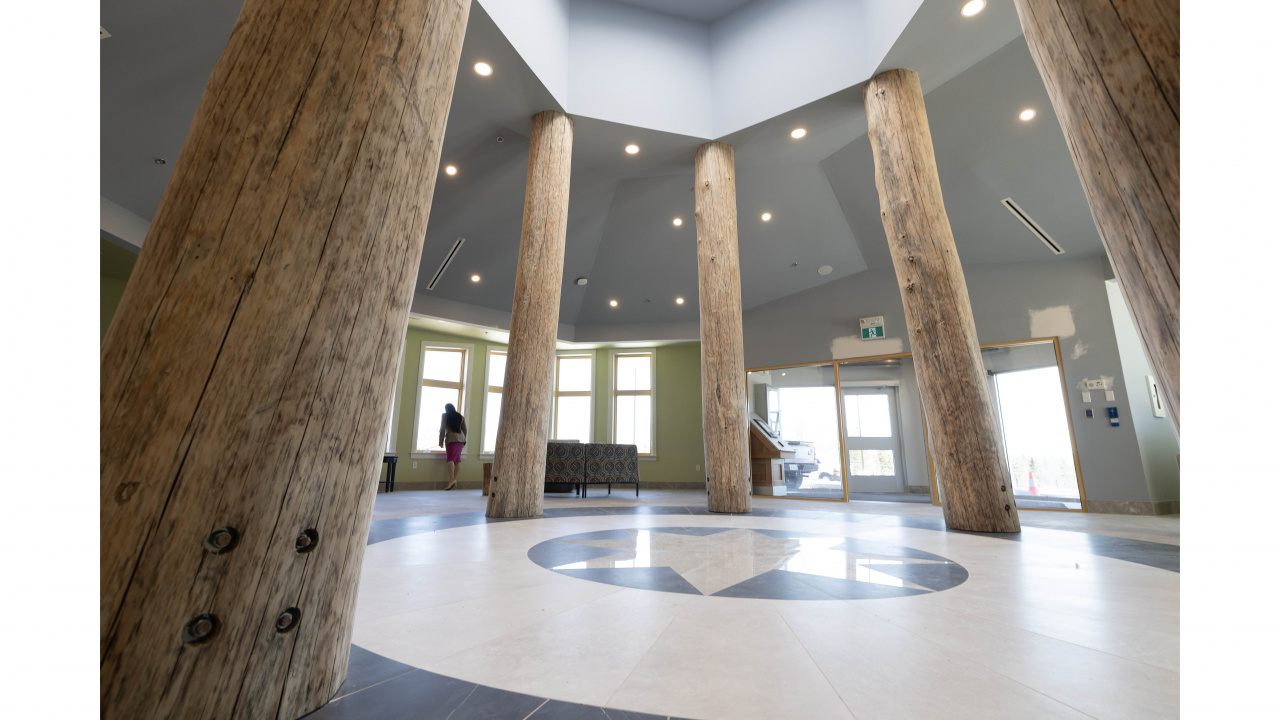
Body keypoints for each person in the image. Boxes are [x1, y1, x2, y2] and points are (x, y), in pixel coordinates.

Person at [438, 403, 467, 490]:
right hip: (461, 439)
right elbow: (465, 430)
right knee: (457, 460)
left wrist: (441, 441)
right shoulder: (461, 417)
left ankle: (452, 480)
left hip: (451, 439)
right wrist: (464, 440)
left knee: (450, 459)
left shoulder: (445, 415)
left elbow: (442, 429)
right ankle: (453, 479)